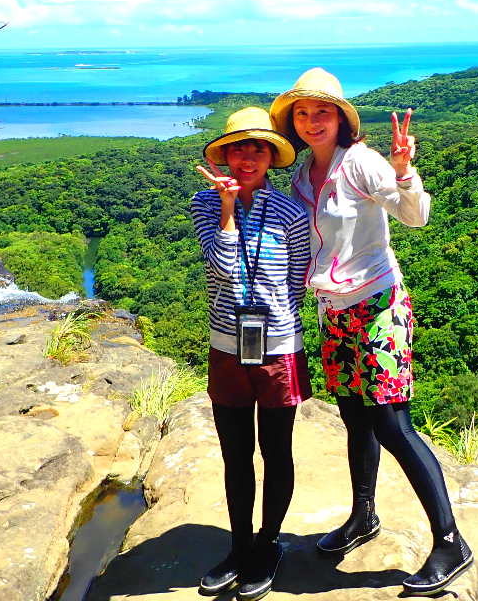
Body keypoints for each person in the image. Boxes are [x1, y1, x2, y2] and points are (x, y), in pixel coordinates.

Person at [269, 68, 472, 597]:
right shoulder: (299, 178)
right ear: (293, 121)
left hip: (379, 305)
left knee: (391, 423)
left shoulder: (359, 162)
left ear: (341, 118)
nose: (313, 121)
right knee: (355, 419)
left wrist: (404, 172)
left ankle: (450, 541)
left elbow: (415, 216)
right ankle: (363, 517)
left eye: (323, 112)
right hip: (333, 312)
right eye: (303, 113)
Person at [191, 106, 312, 601]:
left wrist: (273, 316)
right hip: (226, 343)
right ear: (224, 154)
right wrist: (225, 209)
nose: (248, 156)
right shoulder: (204, 202)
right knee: (235, 453)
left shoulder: (291, 212)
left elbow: (296, 281)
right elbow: (219, 269)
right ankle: (239, 547)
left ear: (270, 157)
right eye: (238, 146)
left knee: (275, 451)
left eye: (258, 147)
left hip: (279, 346)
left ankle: (268, 544)